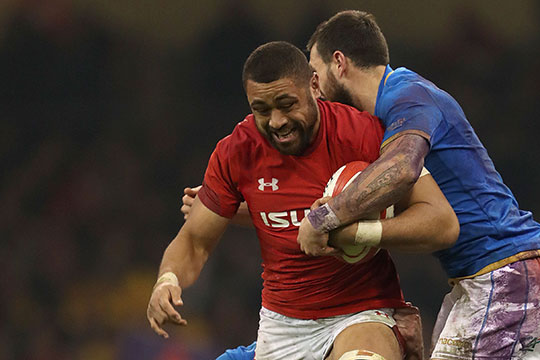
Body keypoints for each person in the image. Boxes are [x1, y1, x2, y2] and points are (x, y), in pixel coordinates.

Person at [147, 41, 459, 360]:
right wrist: (167, 280)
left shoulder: (362, 134)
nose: (277, 121)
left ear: (313, 84)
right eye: (262, 110)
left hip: (362, 315)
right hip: (281, 326)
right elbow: (195, 242)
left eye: (286, 104)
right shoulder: (237, 151)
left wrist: (354, 232)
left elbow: (440, 222)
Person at [294, 10, 540, 360]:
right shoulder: (382, 117)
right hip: (486, 280)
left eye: (315, 74)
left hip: (506, 277)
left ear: (340, 63)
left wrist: (325, 218)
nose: (315, 88)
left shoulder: (409, 96)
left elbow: (402, 168)